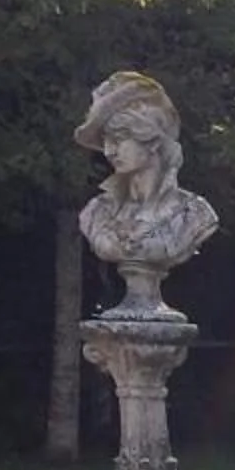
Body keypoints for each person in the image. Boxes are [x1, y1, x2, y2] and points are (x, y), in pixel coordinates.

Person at [75, 70, 217, 301]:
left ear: (151, 140)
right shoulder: (96, 212)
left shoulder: (194, 213)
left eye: (119, 139)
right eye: (106, 142)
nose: (109, 151)